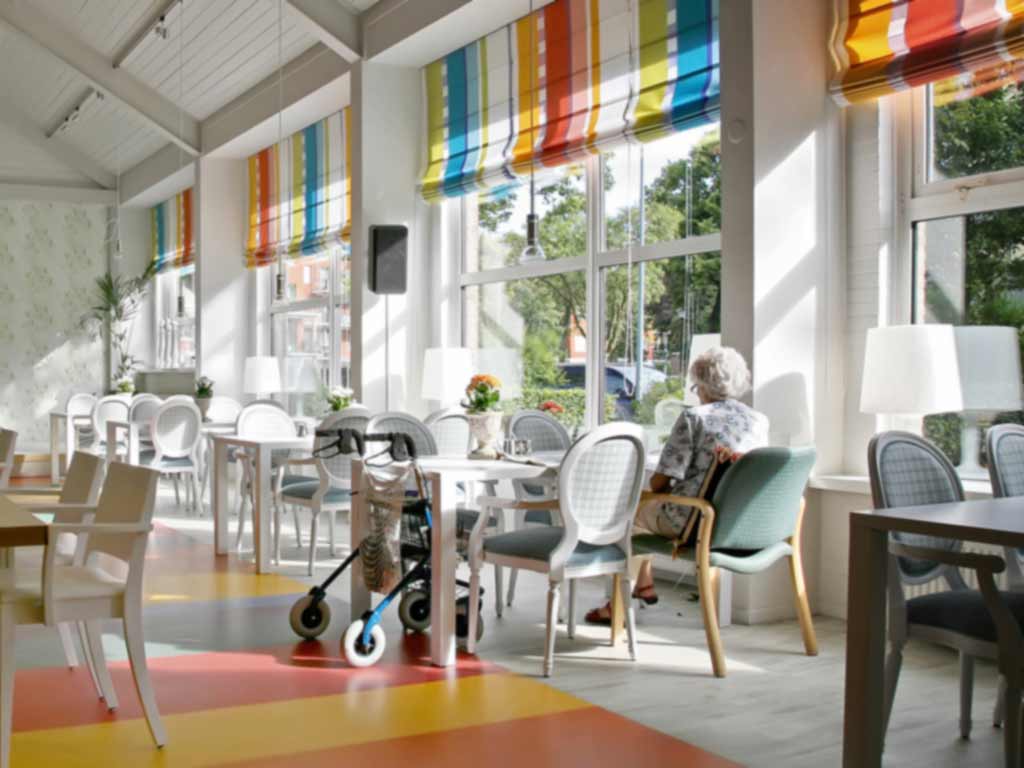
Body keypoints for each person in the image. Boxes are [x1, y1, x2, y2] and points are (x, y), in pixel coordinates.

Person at [586, 346, 769, 624]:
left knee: (626, 509)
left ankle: (617, 606)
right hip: (738, 523)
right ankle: (643, 582)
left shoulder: (695, 417)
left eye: (695, 386)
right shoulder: (758, 421)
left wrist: (650, 489)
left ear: (702, 384)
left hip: (693, 521)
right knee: (640, 513)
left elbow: (661, 480)